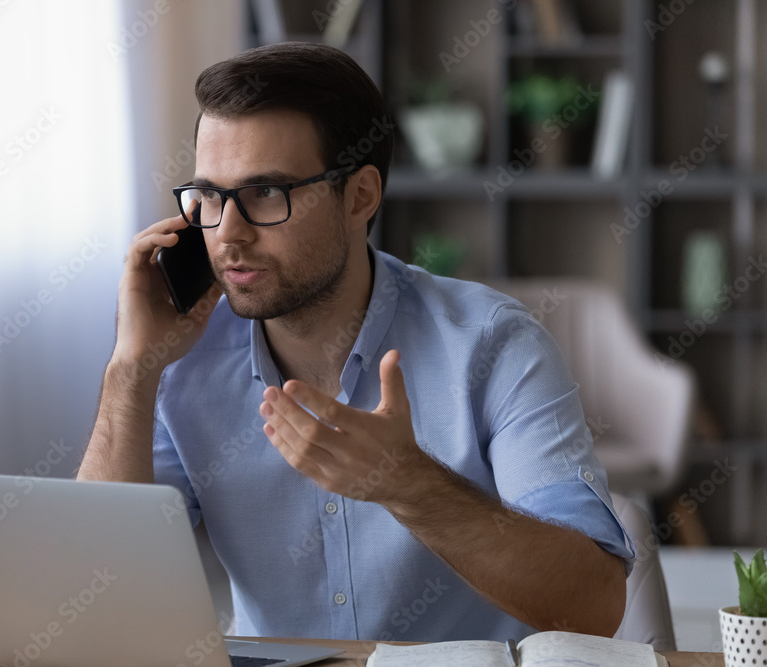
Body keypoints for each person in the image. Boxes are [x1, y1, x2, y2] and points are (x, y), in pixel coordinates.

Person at [77, 41, 634, 644]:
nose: (228, 234)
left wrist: (409, 484)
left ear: (360, 196)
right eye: (209, 196)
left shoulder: (493, 344)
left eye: (266, 193)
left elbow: (593, 605)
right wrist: (132, 369)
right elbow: (93, 591)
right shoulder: (179, 361)